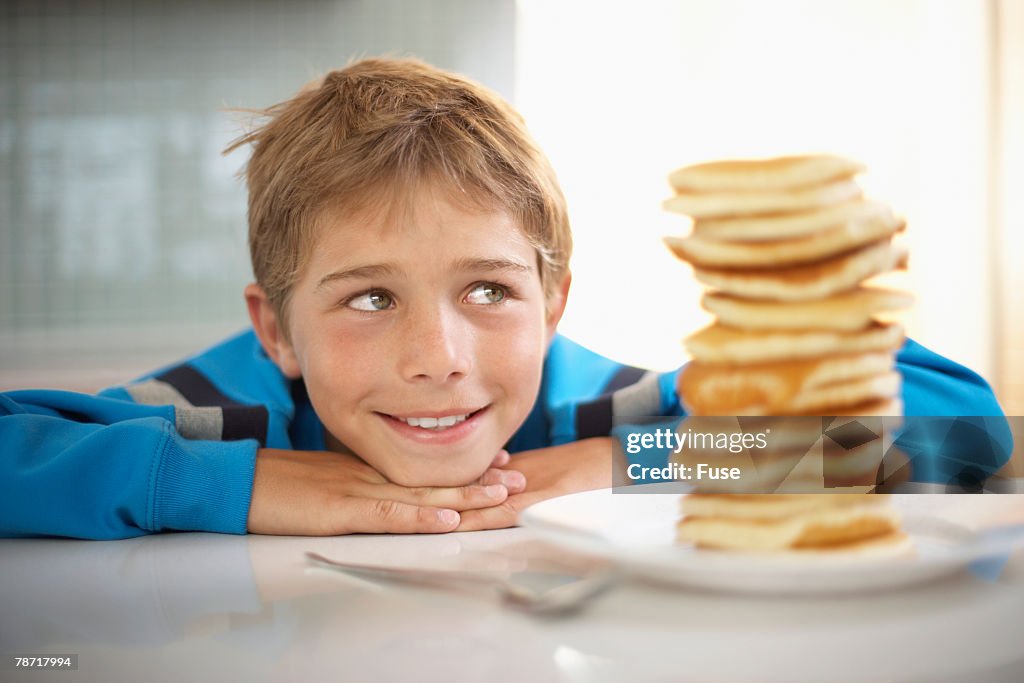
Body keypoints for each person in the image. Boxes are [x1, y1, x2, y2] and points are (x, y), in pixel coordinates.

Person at [0, 58, 1010, 540]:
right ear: (277, 328)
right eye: (367, 299)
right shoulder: (218, 414)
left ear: (554, 298)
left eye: (487, 288)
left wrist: (622, 458)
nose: (436, 355)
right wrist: (235, 484)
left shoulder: (612, 411)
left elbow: (953, 430)